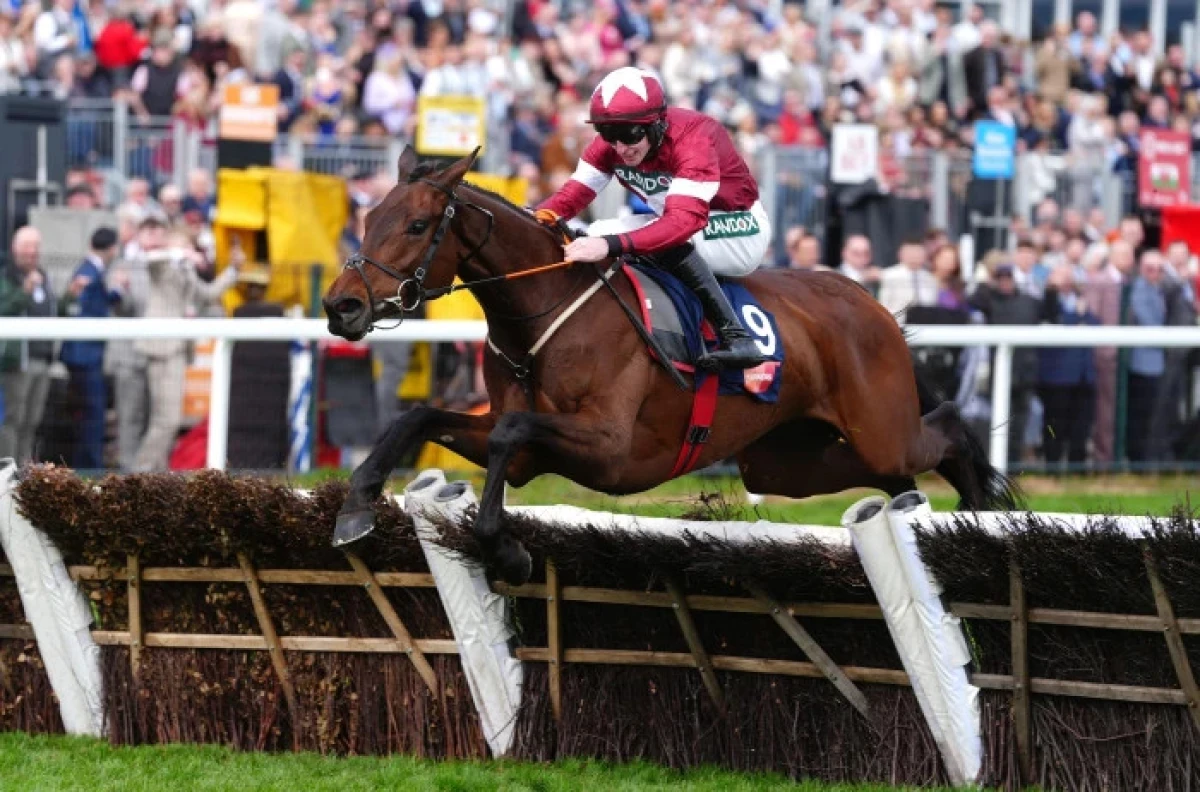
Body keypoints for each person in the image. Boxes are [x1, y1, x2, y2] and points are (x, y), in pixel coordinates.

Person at [535, 66, 771, 370]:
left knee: (636, 239)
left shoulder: (695, 138)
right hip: (683, 223)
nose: (620, 147)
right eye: (607, 134)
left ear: (657, 124)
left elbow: (682, 223)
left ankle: (737, 336)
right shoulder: (612, 147)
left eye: (629, 134)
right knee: (598, 229)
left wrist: (611, 246)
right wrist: (529, 219)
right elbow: (570, 197)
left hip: (737, 228)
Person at [60, 227, 128, 469]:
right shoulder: (88, 273)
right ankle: (91, 468)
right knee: (93, 415)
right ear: (111, 248)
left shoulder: (90, 271)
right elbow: (90, 312)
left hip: (85, 355)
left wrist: (117, 292)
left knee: (88, 415)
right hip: (85, 355)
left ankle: (86, 466)